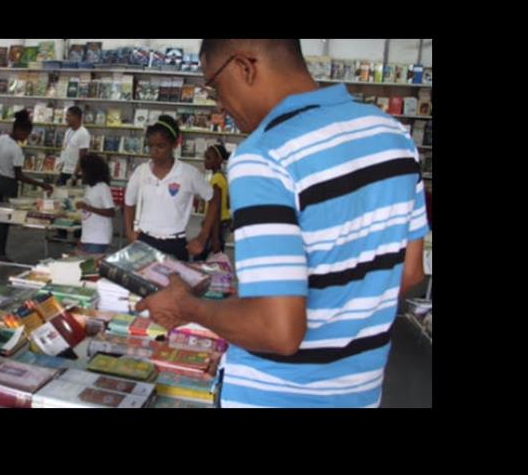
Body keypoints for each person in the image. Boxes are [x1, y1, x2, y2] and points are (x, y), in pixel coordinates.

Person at [135, 39, 429, 408]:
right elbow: (411, 273)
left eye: (215, 88)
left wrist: (188, 307)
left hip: (275, 394)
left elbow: (277, 332)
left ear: (245, 66)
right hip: (360, 391)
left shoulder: (265, 156)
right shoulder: (393, 135)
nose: (221, 106)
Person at [123, 115, 219, 262]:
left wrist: (203, 235)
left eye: (161, 146)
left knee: (175, 284)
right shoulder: (141, 172)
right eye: (151, 146)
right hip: (144, 240)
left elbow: (214, 198)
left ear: (174, 144)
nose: (155, 151)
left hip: (175, 243)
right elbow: (129, 202)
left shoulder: (188, 173)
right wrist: (130, 231)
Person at [0, 110, 54, 262]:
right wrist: (41, 184)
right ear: (20, 130)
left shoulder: (1, 139)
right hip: (8, 184)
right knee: (6, 220)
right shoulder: (16, 149)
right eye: (26, 134)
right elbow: (19, 175)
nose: (26, 138)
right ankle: (0, 253)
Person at [196, 143, 232, 261]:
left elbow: (216, 208)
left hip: (218, 224)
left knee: (199, 257)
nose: (205, 161)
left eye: (209, 158)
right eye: (205, 157)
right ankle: (217, 278)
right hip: (223, 222)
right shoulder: (221, 177)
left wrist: (215, 236)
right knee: (216, 257)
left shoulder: (216, 179)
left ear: (219, 160)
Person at [75, 154, 115, 255]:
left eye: (83, 170)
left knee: (90, 267)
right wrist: (82, 238)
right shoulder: (89, 187)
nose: (81, 173)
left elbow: (111, 212)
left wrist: (88, 208)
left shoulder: (102, 187)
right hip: (88, 236)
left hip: (99, 238)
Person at [58, 106, 90, 185]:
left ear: (76, 117)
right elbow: (65, 150)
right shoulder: (68, 131)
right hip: (64, 171)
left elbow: (82, 157)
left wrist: (74, 175)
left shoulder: (83, 133)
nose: (66, 118)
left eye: (68, 116)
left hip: (74, 173)